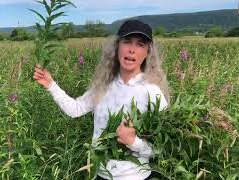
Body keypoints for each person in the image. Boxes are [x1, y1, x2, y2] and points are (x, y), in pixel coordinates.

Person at [33, 19, 170, 180]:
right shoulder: (104, 86)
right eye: (127, 42)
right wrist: (51, 85)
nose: (132, 49)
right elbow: (75, 109)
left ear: (148, 52)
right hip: (100, 174)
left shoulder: (152, 92)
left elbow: (162, 149)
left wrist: (133, 142)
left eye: (140, 44)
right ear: (117, 47)